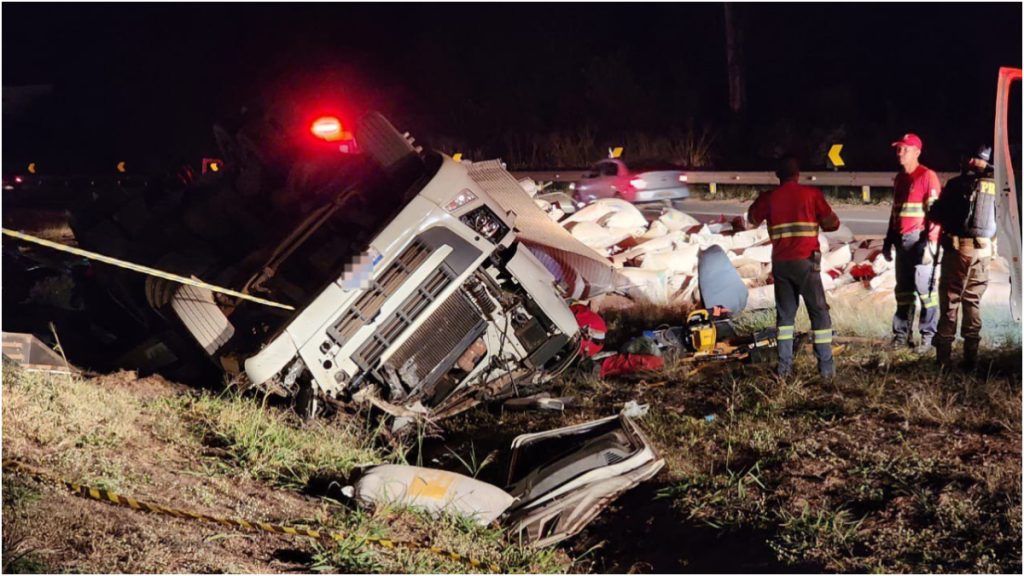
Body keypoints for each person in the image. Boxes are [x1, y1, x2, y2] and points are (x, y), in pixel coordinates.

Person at [748, 155, 841, 379]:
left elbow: (752, 218)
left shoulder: (769, 198)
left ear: (777, 175)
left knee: (785, 318)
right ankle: (826, 370)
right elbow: (833, 223)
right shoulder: (812, 195)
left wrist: (763, 198)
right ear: (798, 174)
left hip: (781, 264)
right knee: (819, 313)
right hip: (807, 263)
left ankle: (784, 369)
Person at [927, 146, 998, 369]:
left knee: (950, 299)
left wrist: (932, 206)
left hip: (960, 250)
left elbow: (938, 214)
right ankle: (971, 358)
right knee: (972, 301)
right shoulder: (999, 186)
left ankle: (944, 359)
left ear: (971, 160)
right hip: (984, 252)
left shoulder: (958, 185)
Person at [882, 133, 942, 352]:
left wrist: (932, 244)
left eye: (904, 149)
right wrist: (888, 241)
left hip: (920, 241)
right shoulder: (900, 178)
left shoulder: (927, 176)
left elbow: (935, 214)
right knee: (903, 291)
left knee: (926, 291)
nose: (899, 152)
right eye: (898, 148)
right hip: (902, 241)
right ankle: (901, 336)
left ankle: (929, 337)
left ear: (917, 152)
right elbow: (894, 213)